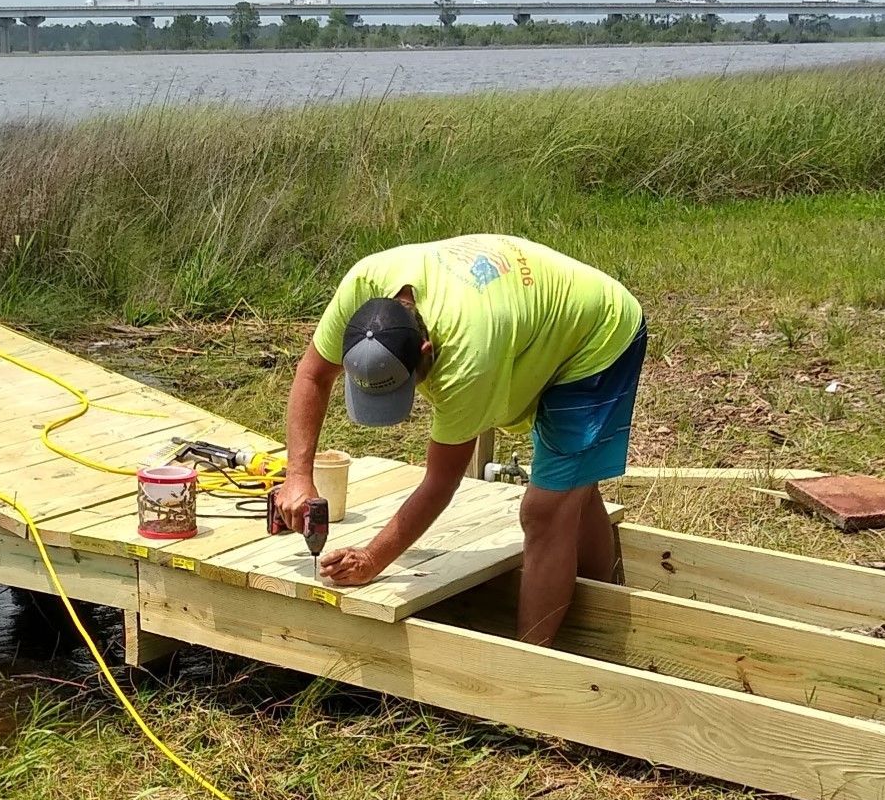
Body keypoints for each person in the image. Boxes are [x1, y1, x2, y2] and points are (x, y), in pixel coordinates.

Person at [274, 234, 644, 646]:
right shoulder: (361, 286)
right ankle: (599, 625)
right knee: (573, 488)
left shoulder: (468, 359)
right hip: (535, 313)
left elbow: (440, 483)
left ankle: (527, 673)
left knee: (545, 509)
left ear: (428, 350)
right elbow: (312, 375)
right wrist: (297, 476)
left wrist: (372, 558)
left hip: (597, 335)